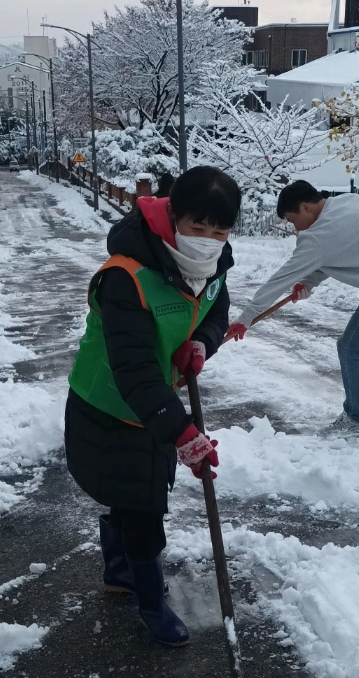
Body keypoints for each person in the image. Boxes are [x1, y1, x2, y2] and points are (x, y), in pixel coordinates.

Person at [65, 166, 240, 646]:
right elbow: (135, 371)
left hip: (155, 402)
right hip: (110, 404)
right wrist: (185, 436)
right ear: (172, 214)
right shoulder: (127, 275)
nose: (209, 240)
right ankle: (149, 600)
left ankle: (119, 573)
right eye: (198, 228)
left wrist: (202, 343)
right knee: (142, 503)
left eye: (220, 231)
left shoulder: (212, 263)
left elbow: (217, 308)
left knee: (137, 494)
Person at [228, 180, 359, 434]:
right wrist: (307, 282)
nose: (295, 228)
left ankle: (356, 419)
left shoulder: (317, 236)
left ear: (305, 208)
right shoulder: (348, 201)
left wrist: (246, 318)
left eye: (292, 220)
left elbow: (280, 279)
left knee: (351, 347)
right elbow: (339, 252)